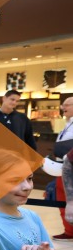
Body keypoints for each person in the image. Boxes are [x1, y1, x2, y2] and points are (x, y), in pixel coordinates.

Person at [52, 96, 73, 239]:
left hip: (70, 168)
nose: (63, 108)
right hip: (61, 167)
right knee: (61, 197)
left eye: (67, 105)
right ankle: (69, 231)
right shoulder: (67, 124)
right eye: (62, 105)